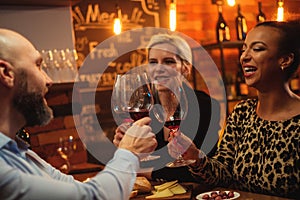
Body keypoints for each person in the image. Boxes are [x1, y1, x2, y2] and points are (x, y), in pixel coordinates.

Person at [0, 28, 157, 200]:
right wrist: (129, 152)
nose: (48, 80)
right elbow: (91, 198)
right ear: (6, 73)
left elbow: (76, 188)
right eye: (38, 65)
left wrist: (125, 151)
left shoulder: (22, 153)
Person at [167, 21, 300, 198]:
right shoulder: (242, 113)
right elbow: (223, 176)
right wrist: (194, 156)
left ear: (285, 59)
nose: (244, 56)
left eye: (257, 49)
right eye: (244, 49)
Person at [113, 33, 221, 182]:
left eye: (168, 61)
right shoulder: (143, 107)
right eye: (153, 62)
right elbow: (139, 161)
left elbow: (204, 169)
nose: (159, 69)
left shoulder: (205, 106)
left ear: (186, 68)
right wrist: (125, 148)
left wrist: (143, 171)